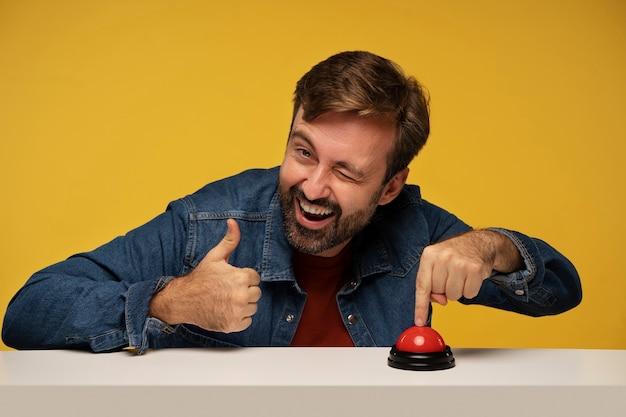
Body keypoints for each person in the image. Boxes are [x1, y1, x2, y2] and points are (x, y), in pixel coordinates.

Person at [2, 51, 582, 353]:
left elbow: (561, 291)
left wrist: (491, 247)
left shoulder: (418, 231)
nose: (312, 186)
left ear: (389, 187)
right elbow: (29, 309)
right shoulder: (209, 221)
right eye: (303, 152)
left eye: (346, 172)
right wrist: (168, 301)